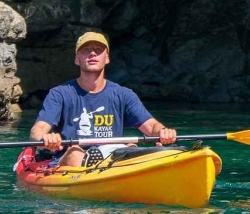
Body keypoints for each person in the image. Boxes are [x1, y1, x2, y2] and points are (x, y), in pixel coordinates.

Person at [29, 32, 176, 167]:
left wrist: (163, 132)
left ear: (107, 58)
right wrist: (46, 139)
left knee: (130, 146)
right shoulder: (59, 94)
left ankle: (114, 167)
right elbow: (37, 130)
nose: (92, 53)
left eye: (98, 50)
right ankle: (91, 164)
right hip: (70, 158)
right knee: (75, 151)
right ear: (77, 59)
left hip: (113, 156)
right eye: (86, 50)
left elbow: (151, 127)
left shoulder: (124, 94)